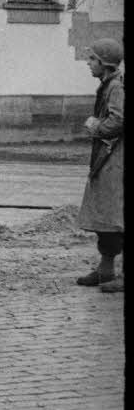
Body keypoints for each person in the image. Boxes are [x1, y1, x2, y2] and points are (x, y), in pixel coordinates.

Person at [76, 38, 124, 293]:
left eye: (92, 59)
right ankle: (105, 270)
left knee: (116, 217)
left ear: (104, 63)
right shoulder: (107, 85)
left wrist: (96, 127)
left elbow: (119, 120)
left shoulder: (115, 87)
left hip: (115, 160)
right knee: (106, 217)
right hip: (107, 158)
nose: (88, 63)